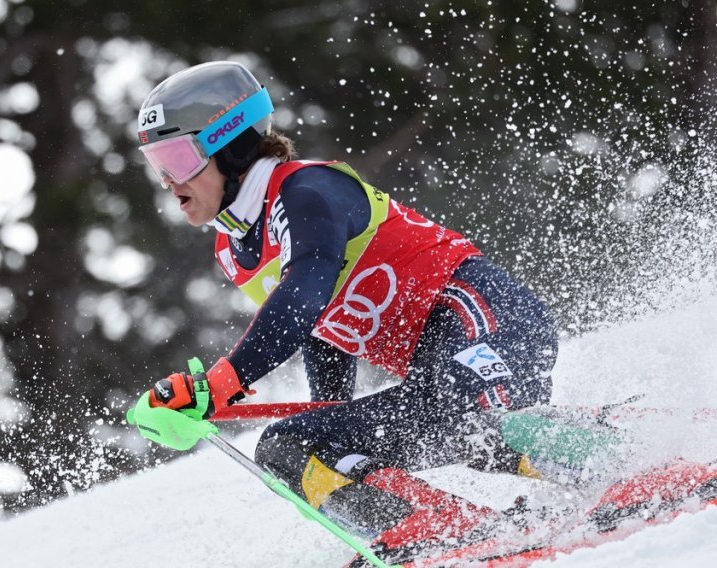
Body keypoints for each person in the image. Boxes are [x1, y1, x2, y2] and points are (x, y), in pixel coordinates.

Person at [135, 61, 558, 564]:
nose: (166, 181)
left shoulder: (305, 192)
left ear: (229, 145)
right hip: (435, 369)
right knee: (290, 446)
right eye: (155, 163)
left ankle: (621, 452)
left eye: (177, 159)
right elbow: (321, 327)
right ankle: (429, 527)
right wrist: (328, 413)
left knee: (471, 415)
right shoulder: (235, 247)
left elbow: (307, 289)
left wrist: (222, 382)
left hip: (486, 321)